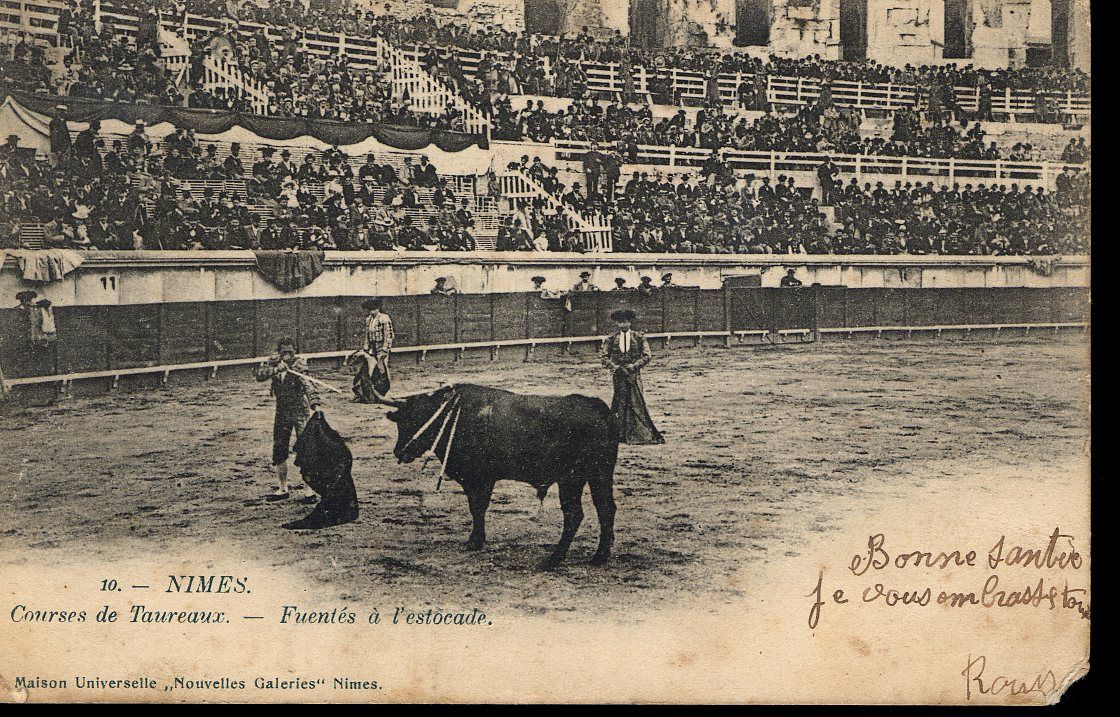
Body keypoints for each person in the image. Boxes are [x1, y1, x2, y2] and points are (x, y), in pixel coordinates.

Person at [255, 338, 322, 501]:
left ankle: (309, 490)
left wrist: (316, 405)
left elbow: (309, 385)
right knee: (280, 449)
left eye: (290, 352)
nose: (288, 355)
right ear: (279, 352)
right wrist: (277, 369)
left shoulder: (299, 365)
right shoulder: (273, 363)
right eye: (284, 352)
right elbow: (259, 376)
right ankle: (283, 488)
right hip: (282, 412)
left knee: (306, 449)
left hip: (300, 411)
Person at [600, 310, 664, 445]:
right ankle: (620, 433)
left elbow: (647, 356)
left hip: (633, 374)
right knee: (619, 402)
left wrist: (634, 366)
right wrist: (614, 367)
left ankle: (639, 433)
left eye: (625, 321)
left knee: (636, 401)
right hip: (618, 375)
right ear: (617, 323)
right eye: (620, 322)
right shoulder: (611, 338)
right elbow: (604, 357)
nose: (623, 324)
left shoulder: (639, 337)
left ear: (630, 322)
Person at [352, 298, 394, 403]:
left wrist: (385, 349)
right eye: (369, 310)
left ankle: (383, 393)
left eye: (373, 309)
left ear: (377, 309)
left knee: (382, 368)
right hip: (373, 347)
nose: (371, 312)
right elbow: (367, 335)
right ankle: (369, 393)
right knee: (370, 370)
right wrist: (366, 348)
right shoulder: (368, 319)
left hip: (381, 346)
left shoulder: (384, 318)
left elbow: (388, 335)